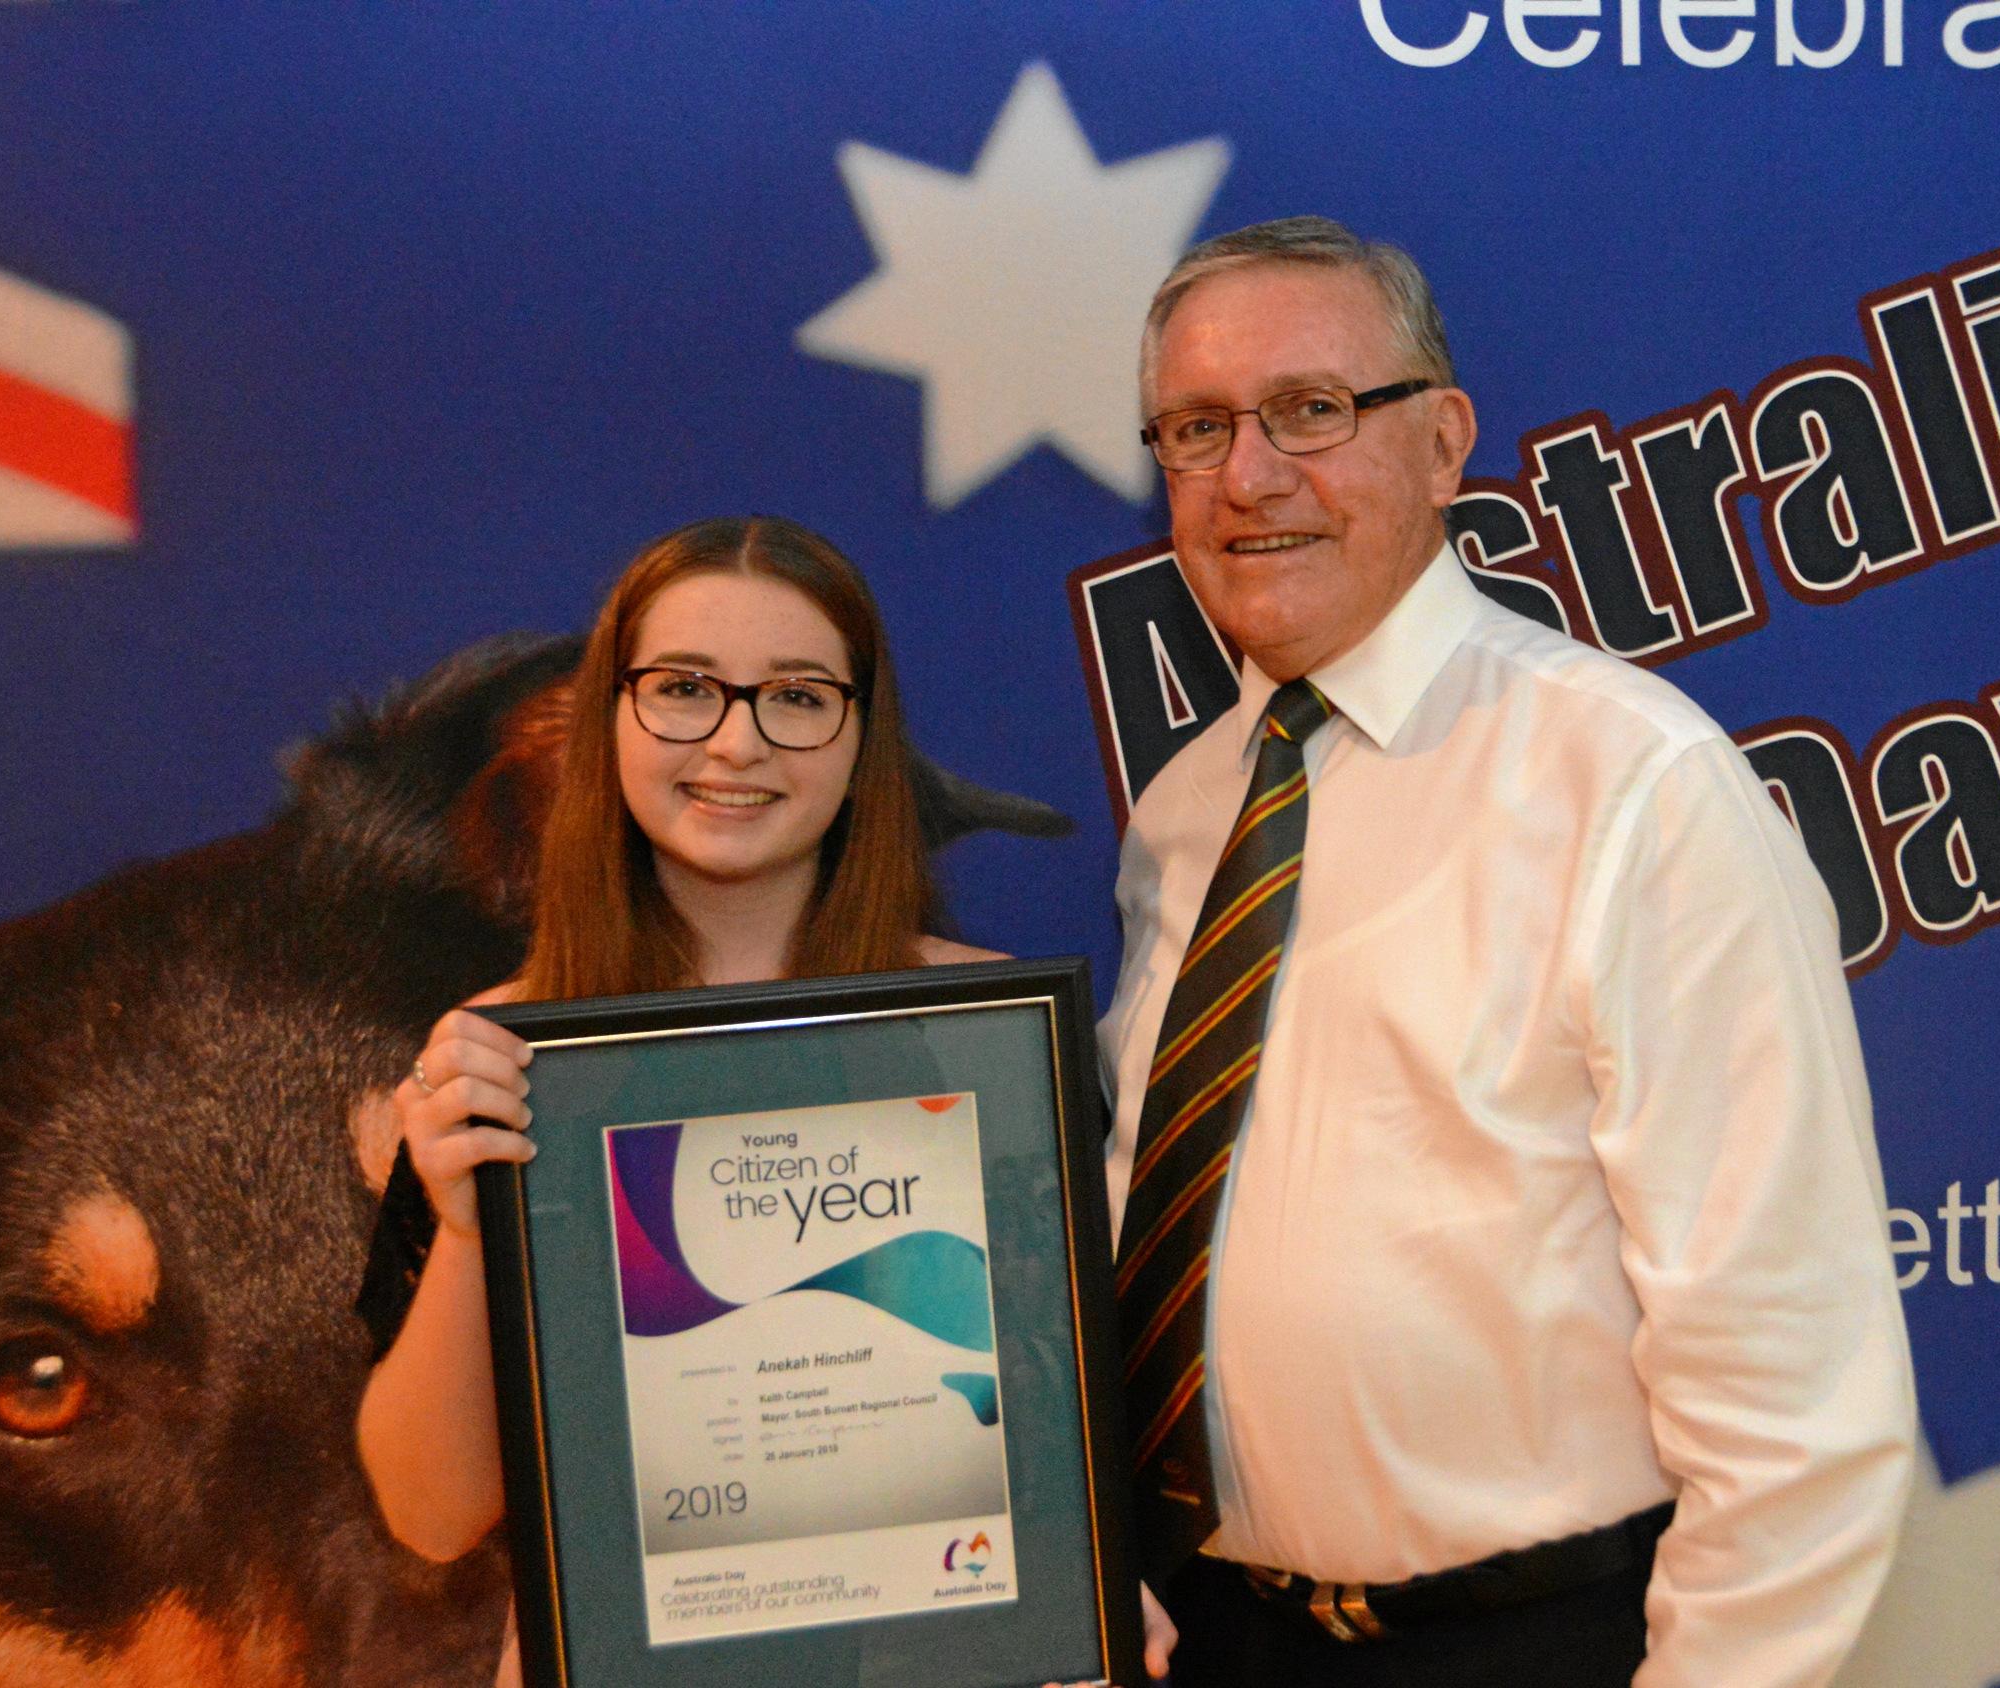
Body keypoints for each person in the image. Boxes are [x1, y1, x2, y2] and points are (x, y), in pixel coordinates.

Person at [1099, 216, 1916, 1687]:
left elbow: (1793, 1384)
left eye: (1311, 411)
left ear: (1441, 442)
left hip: (1531, 1643)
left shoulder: (1635, 787)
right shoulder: (1182, 812)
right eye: (1195, 428)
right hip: (1207, 1636)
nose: (1248, 476)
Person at [353, 516, 1046, 1679]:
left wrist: (1089, 1574)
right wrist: (472, 1226)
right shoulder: (493, 1056)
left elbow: (1055, 1411)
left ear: (861, 733)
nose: (736, 742)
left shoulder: (981, 1035)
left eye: (798, 694)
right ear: (612, 718)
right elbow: (428, 1512)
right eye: (683, 688)